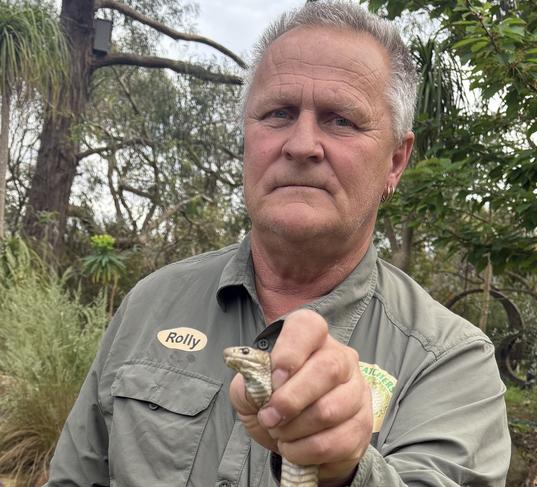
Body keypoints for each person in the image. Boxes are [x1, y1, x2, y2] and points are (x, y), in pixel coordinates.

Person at [46, 2, 511, 486]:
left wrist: (348, 472)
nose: (301, 144)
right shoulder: (151, 304)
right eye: (278, 113)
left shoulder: (450, 361)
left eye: (340, 120)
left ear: (396, 161)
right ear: (247, 136)